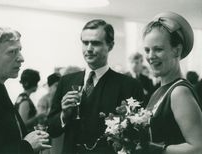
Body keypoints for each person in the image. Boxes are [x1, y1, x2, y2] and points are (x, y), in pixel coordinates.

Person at [47, 19, 144, 154]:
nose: (89, 49)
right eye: (85, 43)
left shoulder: (129, 85)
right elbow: (51, 129)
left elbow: (137, 135)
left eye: (96, 43)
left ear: (110, 46)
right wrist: (64, 115)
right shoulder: (66, 81)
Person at [141, 12, 202, 154]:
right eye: (147, 50)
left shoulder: (179, 92)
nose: (150, 56)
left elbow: (199, 148)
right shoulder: (160, 90)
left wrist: (155, 149)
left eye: (158, 49)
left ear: (177, 50)